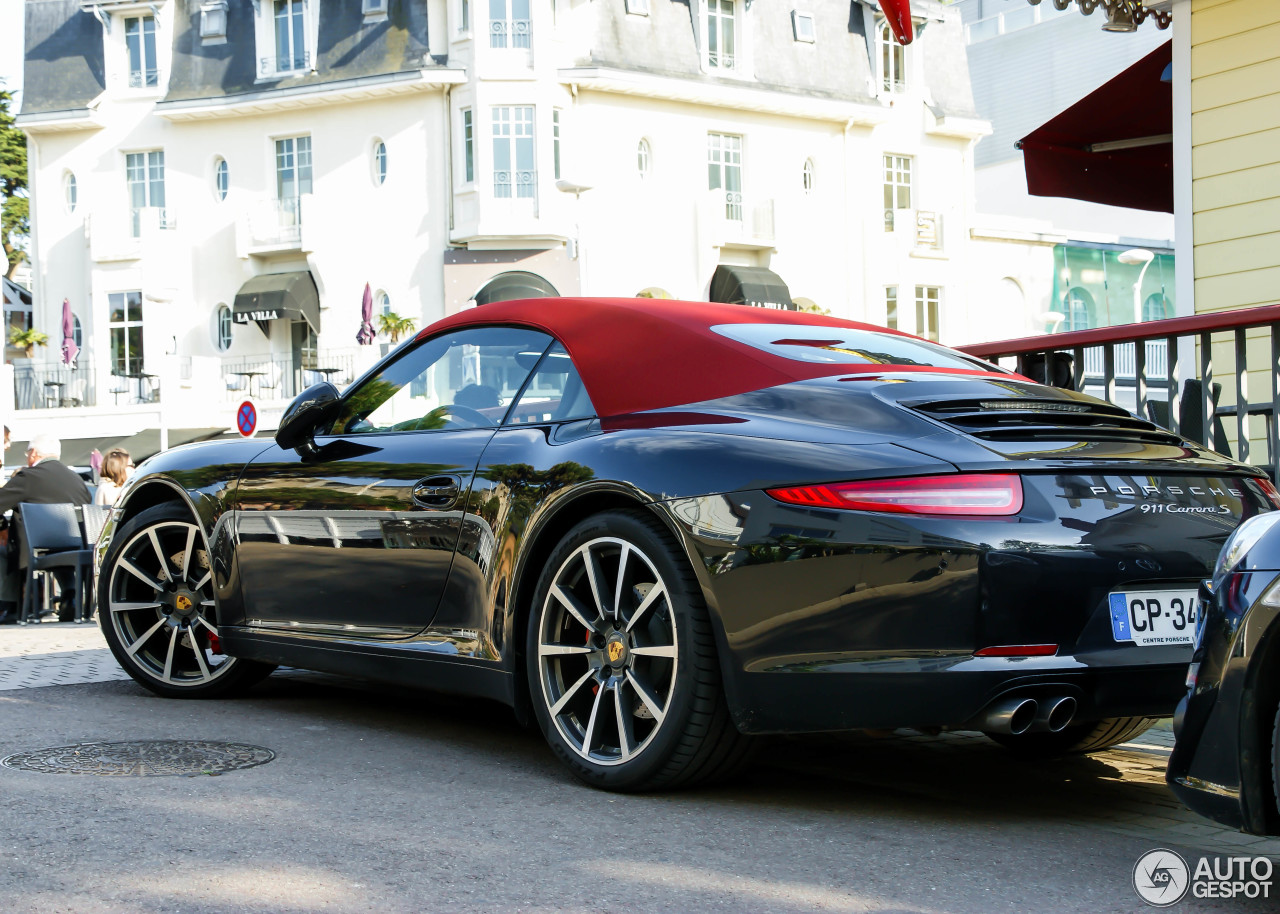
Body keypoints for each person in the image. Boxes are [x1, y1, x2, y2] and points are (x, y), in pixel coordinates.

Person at [0, 434, 92, 622]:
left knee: (2, 551)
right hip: (77, 545)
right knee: (58, 545)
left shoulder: (29, 476)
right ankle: (70, 596)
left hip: (35, 550)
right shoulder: (76, 480)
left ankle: (11, 606)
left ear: (34, 453)